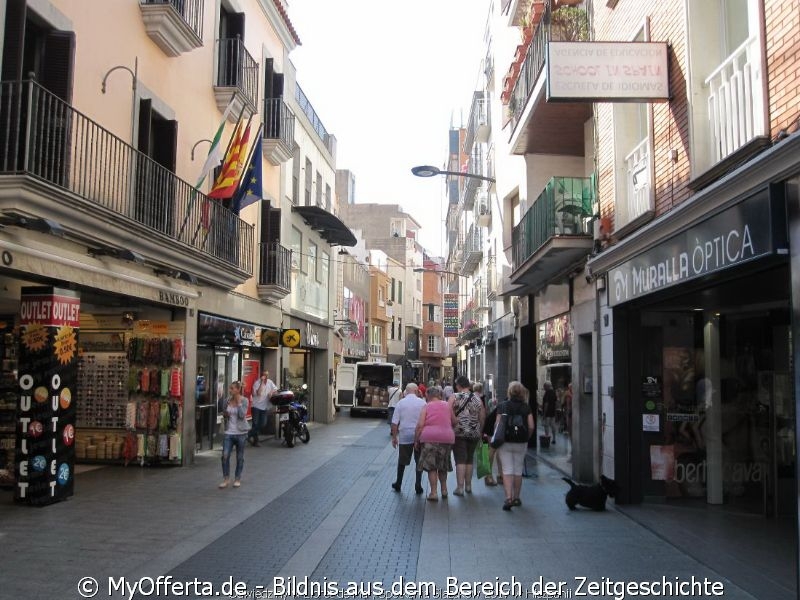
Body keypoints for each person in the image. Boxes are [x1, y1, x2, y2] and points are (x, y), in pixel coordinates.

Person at [495, 381, 534, 510]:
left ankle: (508, 498)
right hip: (521, 442)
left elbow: (497, 424)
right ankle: (517, 497)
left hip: (505, 441)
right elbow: (531, 426)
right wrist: (527, 437)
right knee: (518, 470)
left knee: (507, 470)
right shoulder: (526, 407)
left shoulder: (502, 406)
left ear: (509, 392)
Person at [414, 386, 456, 502]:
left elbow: (420, 425)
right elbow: (454, 421)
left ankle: (433, 492)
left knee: (432, 467)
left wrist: (416, 440)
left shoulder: (426, 406)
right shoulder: (447, 405)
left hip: (429, 438)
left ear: (428, 395)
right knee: (443, 466)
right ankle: (444, 490)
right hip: (447, 438)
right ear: (439, 395)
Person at [449, 376, 485, 496]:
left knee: (460, 460)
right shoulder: (477, 398)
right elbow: (482, 416)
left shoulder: (455, 397)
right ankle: (468, 486)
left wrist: (454, 422)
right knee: (469, 459)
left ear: (458, 385)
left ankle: (460, 488)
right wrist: (480, 431)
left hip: (459, 432)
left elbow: (448, 412)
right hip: (474, 432)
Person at [390, 383, 426, 494]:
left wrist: (394, 437)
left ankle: (398, 483)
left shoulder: (401, 403)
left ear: (406, 391)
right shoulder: (423, 403)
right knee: (419, 461)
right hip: (419, 436)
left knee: (402, 461)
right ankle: (418, 484)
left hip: (405, 435)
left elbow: (394, 422)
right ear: (416, 391)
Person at [218, 381, 249, 489]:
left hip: (241, 433)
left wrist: (239, 403)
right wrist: (225, 413)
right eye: (230, 388)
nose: (230, 390)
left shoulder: (245, 400)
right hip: (229, 432)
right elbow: (224, 413)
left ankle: (237, 479)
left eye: (232, 388)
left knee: (240, 457)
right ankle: (226, 479)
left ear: (238, 389)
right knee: (225, 456)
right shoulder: (227, 400)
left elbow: (241, 415)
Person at [480, 386, 503, 487]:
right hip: (492, 427)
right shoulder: (507, 404)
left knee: (497, 451)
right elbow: (496, 422)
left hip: (495, 426)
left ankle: (500, 475)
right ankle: (488, 476)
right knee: (493, 450)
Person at [249, 371, 277, 446]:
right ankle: (256, 441)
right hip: (256, 406)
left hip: (265, 406)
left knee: (263, 424)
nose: (266, 377)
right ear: (261, 376)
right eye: (264, 375)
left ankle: (248, 434)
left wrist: (271, 392)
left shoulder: (270, 382)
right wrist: (261, 382)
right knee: (255, 423)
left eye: (267, 375)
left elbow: (275, 389)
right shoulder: (257, 383)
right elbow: (258, 393)